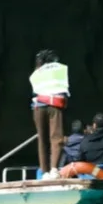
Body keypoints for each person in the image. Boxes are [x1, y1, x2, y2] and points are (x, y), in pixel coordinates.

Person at [30, 48, 69, 177]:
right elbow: (63, 88)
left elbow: (35, 88)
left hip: (39, 106)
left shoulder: (36, 73)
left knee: (42, 139)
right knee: (56, 137)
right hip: (55, 105)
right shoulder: (60, 70)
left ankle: (44, 171)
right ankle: (54, 169)